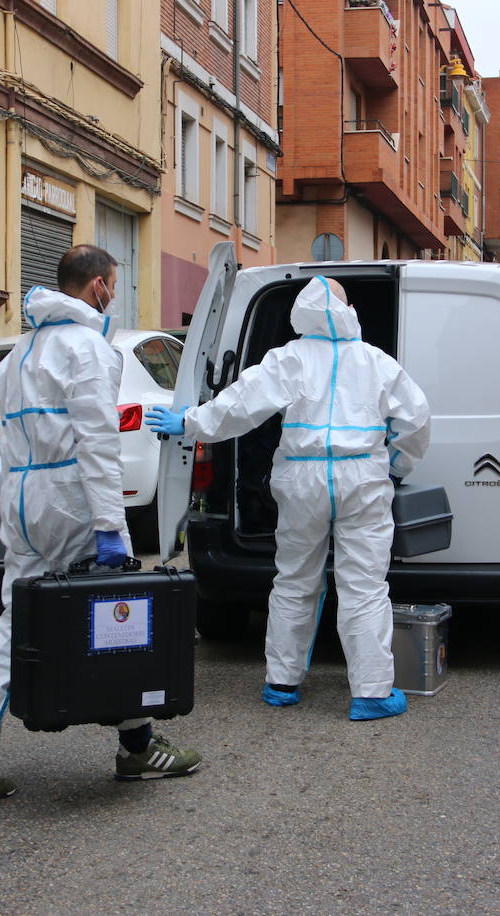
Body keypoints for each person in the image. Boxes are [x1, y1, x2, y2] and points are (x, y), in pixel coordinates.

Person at [0, 245, 202, 798]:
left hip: (23, 498)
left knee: (16, 624)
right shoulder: (88, 351)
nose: (114, 295)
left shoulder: (19, 353)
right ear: (97, 286)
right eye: (113, 284)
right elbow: (99, 446)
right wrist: (111, 528)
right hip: (70, 501)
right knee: (117, 622)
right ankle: (138, 749)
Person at [147, 277, 431, 721]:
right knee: (364, 587)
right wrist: (395, 465)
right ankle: (372, 693)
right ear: (349, 309)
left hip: (302, 476)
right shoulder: (377, 362)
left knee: (295, 579)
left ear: (300, 313)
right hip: (362, 477)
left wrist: (189, 423)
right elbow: (415, 420)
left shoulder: (287, 359)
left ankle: (282, 682)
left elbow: (240, 406)